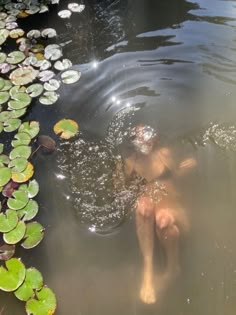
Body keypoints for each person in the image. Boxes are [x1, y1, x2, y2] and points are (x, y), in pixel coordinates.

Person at [114, 124, 196, 304]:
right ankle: (148, 271)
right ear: (134, 142)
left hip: (173, 206)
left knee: (164, 220)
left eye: (147, 135)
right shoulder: (129, 163)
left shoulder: (164, 154)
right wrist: (121, 181)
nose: (144, 139)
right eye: (139, 136)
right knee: (144, 205)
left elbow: (176, 177)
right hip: (148, 210)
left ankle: (171, 269)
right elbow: (120, 191)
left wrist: (186, 168)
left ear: (154, 139)